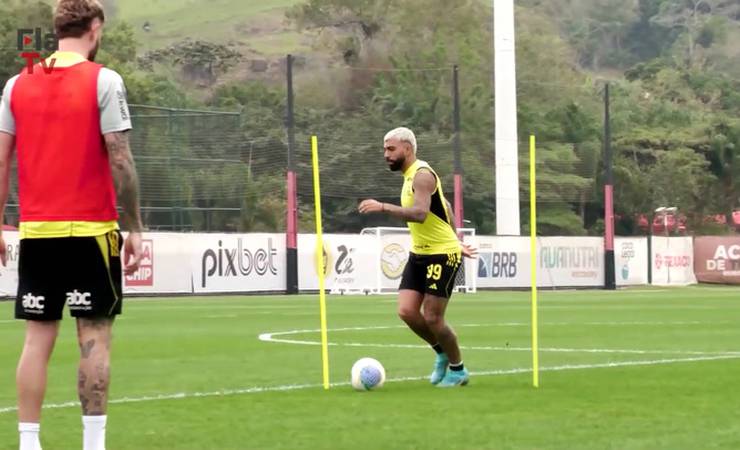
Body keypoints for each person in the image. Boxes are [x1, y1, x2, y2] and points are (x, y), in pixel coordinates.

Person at [0, 1, 144, 449]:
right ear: (95, 28)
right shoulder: (104, 80)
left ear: (56, 29)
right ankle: (93, 444)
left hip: (38, 232)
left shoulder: (16, 85)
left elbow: (1, 157)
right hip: (91, 231)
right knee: (95, 334)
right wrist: (135, 224)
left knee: (36, 339)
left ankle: (28, 442)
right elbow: (120, 157)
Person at [359, 127, 476, 387]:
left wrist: (382, 207)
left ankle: (458, 370)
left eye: (391, 149)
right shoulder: (409, 176)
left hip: (441, 255)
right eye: (384, 149)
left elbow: (421, 213)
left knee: (433, 317)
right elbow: (444, 206)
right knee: (407, 311)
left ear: (407, 149)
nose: (386, 154)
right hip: (420, 253)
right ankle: (441, 353)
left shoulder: (422, 175)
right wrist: (458, 238)